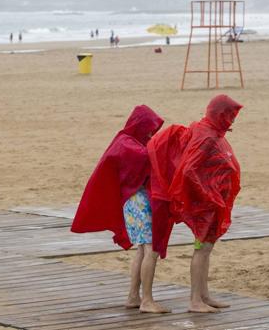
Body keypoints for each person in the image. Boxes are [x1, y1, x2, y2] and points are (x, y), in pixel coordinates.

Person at [71, 105, 171, 314]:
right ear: (141, 126)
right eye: (151, 129)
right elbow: (150, 158)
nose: (153, 133)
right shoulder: (129, 145)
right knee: (151, 250)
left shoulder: (125, 141)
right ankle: (147, 301)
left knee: (143, 249)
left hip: (132, 203)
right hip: (137, 203)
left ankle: (134, 296)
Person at [148, 94, 243, 313]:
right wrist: (207, 195)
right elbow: (189, 169)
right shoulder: (206, 136)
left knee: (207, 248)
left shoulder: (214, 132)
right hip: (206, 205)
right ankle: (195, 300)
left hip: (214, 203)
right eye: (230, 114)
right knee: (201, 249)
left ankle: (204, 295)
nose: (233, 119)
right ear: (220, 114)